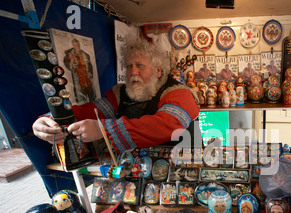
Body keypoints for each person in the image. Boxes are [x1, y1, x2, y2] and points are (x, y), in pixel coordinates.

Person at [32, 37, 201, 154]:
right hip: (137, 174)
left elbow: (166, 125)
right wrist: (51, 119)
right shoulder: (119, 93)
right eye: (128, 66)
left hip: (183, 170)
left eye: (140, 65)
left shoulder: (180, 93)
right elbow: (91, 111)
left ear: (158, 71)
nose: (133, 72)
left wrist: (104, 130)